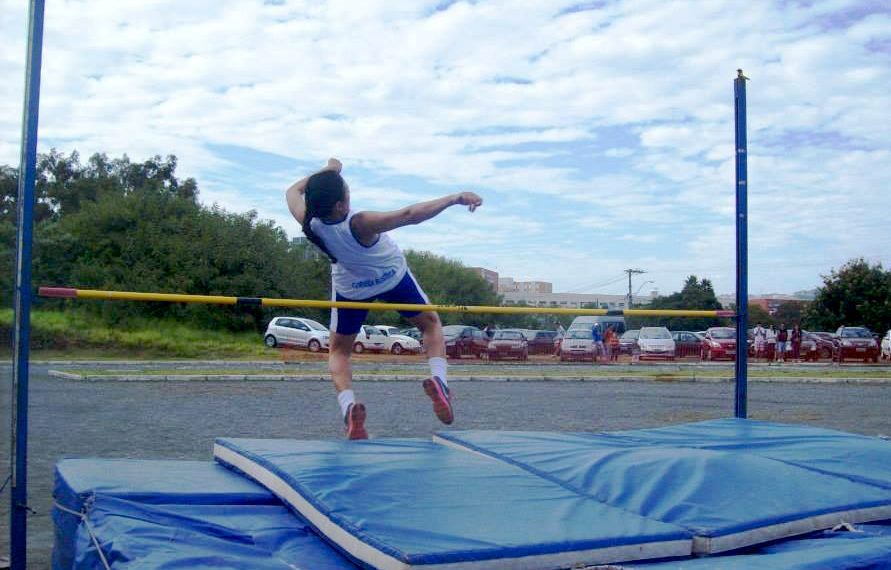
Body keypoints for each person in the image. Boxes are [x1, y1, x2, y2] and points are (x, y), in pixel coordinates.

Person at [286, 158, 483, 439]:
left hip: (351, 287)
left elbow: (292, 192)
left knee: (339, 351)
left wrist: (327, 172)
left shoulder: (309, 221)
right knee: (431, 326)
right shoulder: (361, 223)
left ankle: (348, 406)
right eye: (346, 190)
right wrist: (455, 198)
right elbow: (410, 214)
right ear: (342, 205)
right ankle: (440, 381)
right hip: (391, 276)